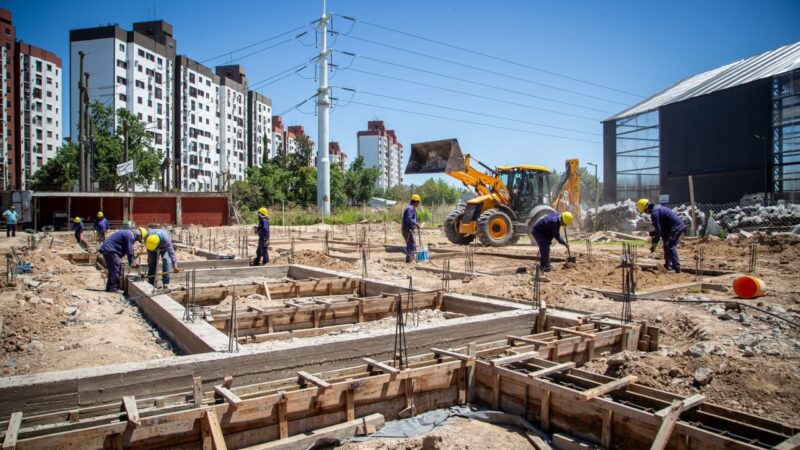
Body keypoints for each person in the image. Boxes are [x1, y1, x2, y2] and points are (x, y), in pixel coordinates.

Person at [637, 199, 686, 273]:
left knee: (670, 245)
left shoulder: (654, 214)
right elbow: (660, 230)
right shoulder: (658, 209)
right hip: (669, 228)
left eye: (644, 211)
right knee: (666, 245)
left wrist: (653, 246)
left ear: (647, 208)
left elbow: (658, 232)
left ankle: (676, 268)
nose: (645, 213)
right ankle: (667, 266)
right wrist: (651, 234)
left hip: (676, 227)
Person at [402, 194, 421, 263]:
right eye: (418, 202)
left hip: (407, 229)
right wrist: (415, 223)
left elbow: (410, 219)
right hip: (408, 230)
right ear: (416, 201)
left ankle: (409, 259)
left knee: (410, 244)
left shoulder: (410, 208)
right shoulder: (410, 208)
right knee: (411, 244)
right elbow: (409, 218)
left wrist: (415, 224)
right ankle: (410, 260)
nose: (418, 204)